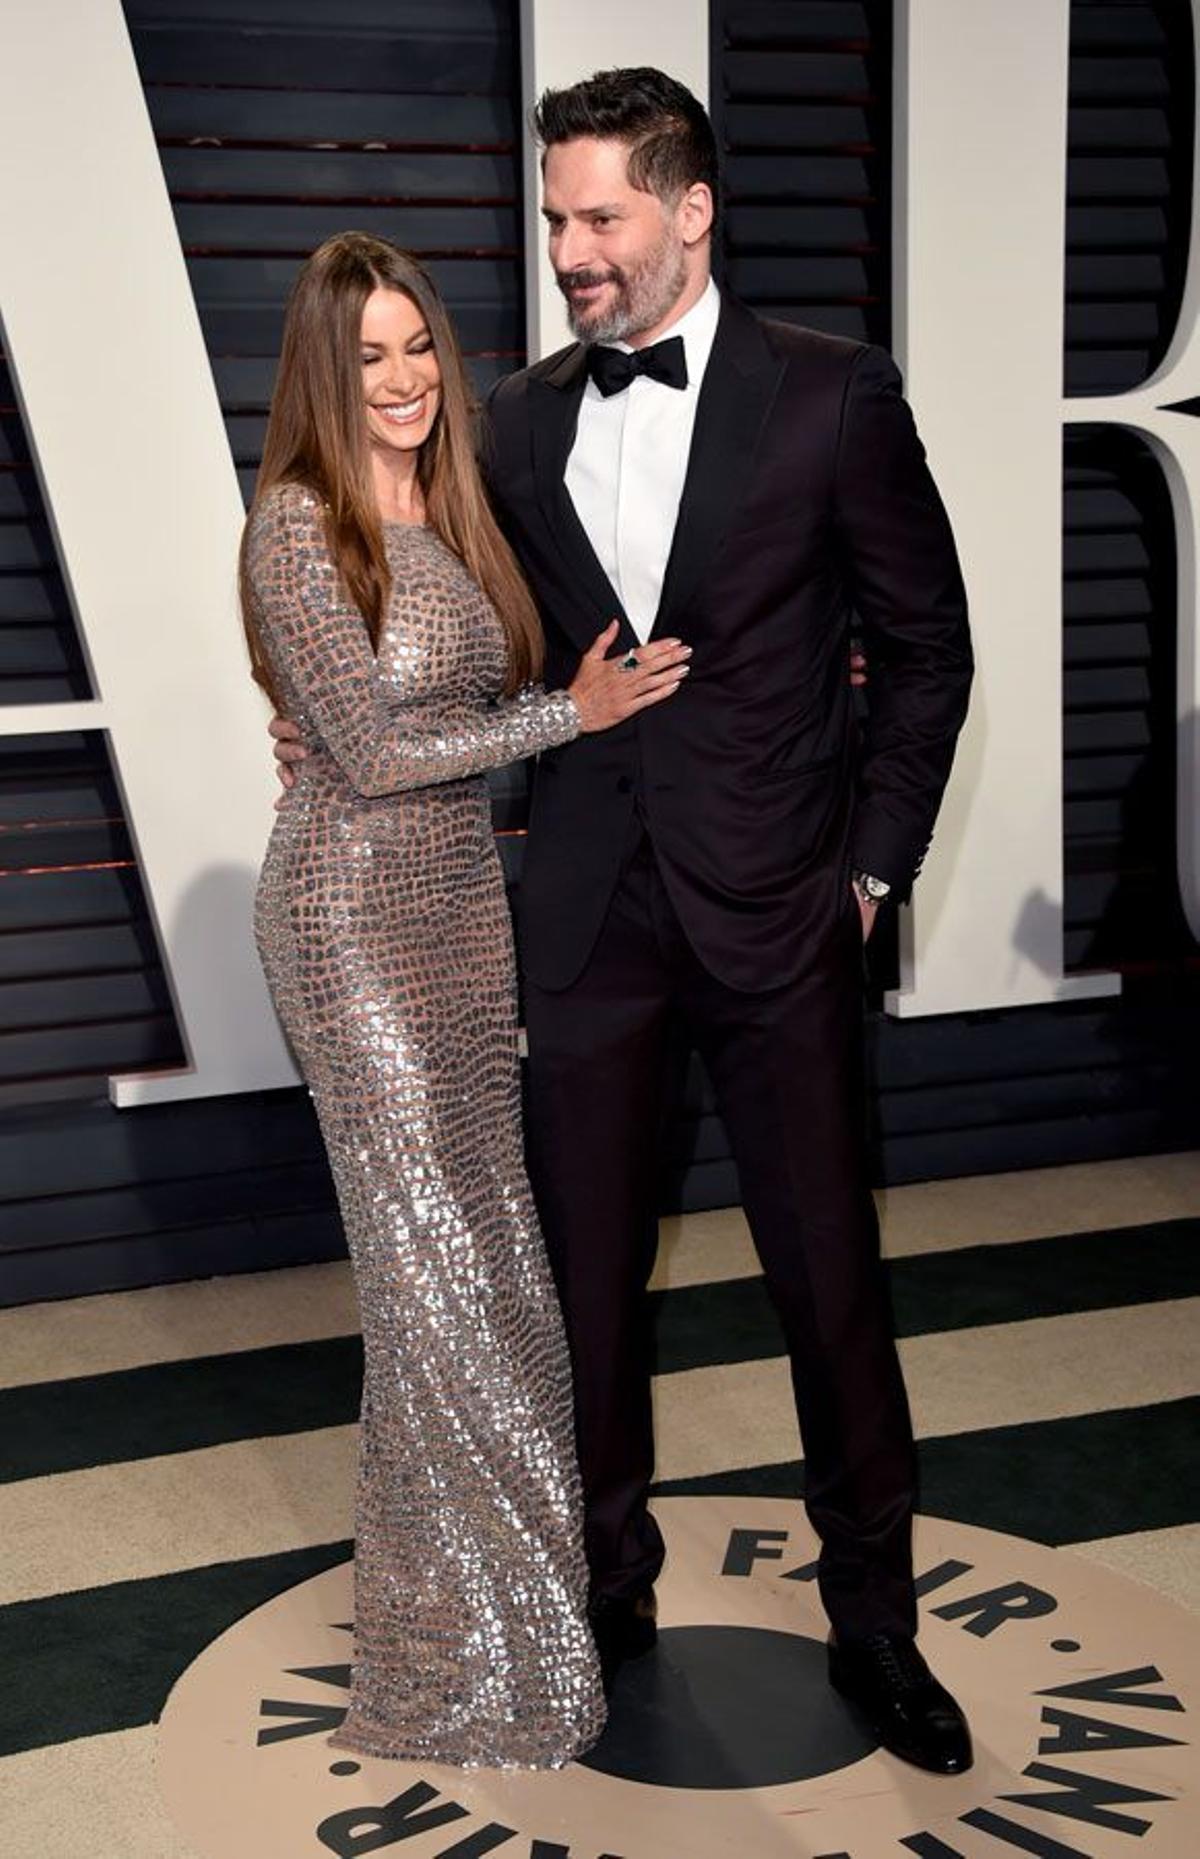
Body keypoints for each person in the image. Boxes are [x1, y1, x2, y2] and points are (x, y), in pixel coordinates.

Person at [275, 67, 975, 1776]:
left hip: (780, 912)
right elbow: (437, 624)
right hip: (584, 922)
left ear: (689, 209)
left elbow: (931, 654)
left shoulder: (832, 397)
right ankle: (604, 1595)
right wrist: (317, 703)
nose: (570, 251)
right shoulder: (508, 423)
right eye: (556, 219)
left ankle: (877, 1627)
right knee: (581, 1285)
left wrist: (869, 875)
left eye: (599, 219)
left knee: (831, 1283)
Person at [242, 230, 690, 1767]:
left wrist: (538, 709)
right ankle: (458, 1672)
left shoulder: (451, 507)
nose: (405, 377)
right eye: (368, 356)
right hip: (349, 927)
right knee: (433, 1289)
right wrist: (582, 708)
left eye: (418, 344)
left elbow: (426, 716)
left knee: (492, 1276)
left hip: (457, 914)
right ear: (322, 370)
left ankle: (491, 1617)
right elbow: (366, 755)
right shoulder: (295, 529)